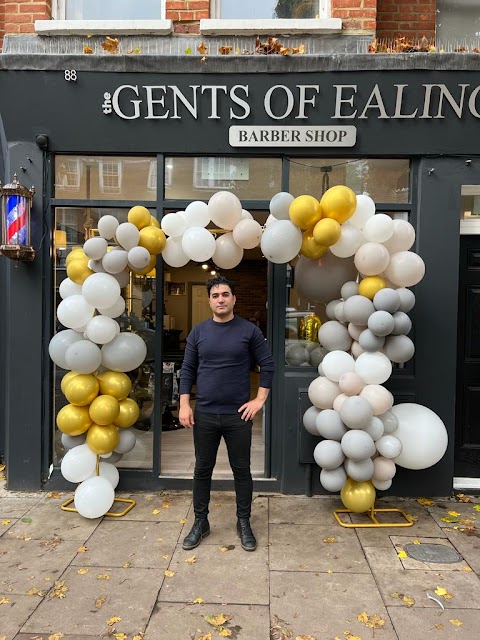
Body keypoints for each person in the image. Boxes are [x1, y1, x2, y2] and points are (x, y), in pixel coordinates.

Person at [179, 276, 275, 552]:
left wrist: (259, 400)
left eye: (225, 294)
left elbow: (267, 366)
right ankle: (201, 522)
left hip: (238, 416)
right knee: (202, 470)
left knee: (242, 471)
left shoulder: (249, 331)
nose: (220, 299)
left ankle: (243, 522)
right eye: (215, 295)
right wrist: (185, 404)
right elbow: (188, 370)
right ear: (209, 300)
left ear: (234, 299)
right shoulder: (199, 332)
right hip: (206, 414)